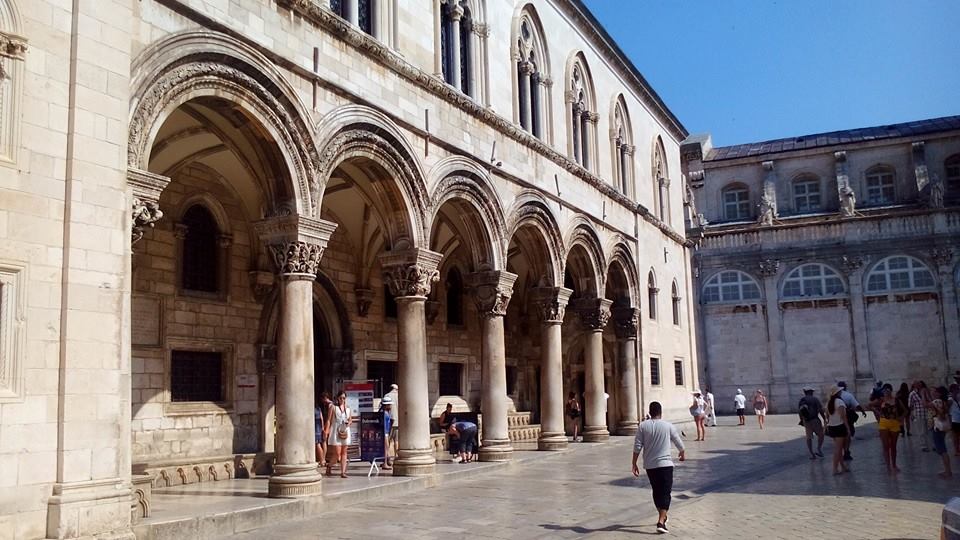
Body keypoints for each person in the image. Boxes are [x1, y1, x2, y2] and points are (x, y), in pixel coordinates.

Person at [631, 401, 686, 535]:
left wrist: (634, 463)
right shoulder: (668, 426)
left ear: (650, 412)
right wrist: (682, 453)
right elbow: (678, 442)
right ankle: (661, 522)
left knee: (656, 491)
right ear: (661, 412)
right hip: (666, 464)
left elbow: (637, 445)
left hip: (650, 466)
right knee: (665, 492)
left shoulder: (643, 426)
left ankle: (662, 516)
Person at [869, 383, 906, 474]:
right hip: (884, 423)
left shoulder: (896, 400)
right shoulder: (881, 400)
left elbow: (905, 411)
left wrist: (900, 418)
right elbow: (869, 405)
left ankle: (894, 465)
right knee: (885, 446)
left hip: (894, 423)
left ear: (891, 391)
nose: (886, 392)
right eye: (884, 390)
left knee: (893, 446)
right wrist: (877, 412)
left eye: (887, 390)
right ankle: (888, 466)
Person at [837, 381, 867, 460]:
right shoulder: (848, 395)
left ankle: (841, 451)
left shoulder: (833, 396)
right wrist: (863, 412)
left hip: (837, 418)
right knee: (848, 434)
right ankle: (846, 451)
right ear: (845, 387)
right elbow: (857, 405)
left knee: (840, 435)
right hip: (847, 417)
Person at [825, 385, 852, 475]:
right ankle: (835, 469)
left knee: (838, 448)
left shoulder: (829, 402)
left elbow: (827, 416)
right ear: (838, 393)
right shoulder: (840, 402)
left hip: (832, 427)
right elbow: (843, 417)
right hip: (839, 426)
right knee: (838, 449)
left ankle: (843, 467)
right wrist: (848, 428)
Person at [325, 390, 352, 478]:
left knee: (344, 452)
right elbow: (329, 420)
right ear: (337, 398)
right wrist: (326, 430)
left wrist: (349, 423)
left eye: (344, 398)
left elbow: (350, 419)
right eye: (340, 398)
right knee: (337, 453)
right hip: (335, 431)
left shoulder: (348, 408)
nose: (342, 400)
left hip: (345, 431)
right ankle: (329, 465)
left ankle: (343, 472)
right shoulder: (333, 407)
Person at [930, 386, 953, 478]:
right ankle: (947, 470)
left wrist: (923, 394)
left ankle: (948, 471)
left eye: (936, 391)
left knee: (942, 450)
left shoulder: (936, 402)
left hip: (938, 427)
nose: (934, 393)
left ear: (939, 393)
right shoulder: (944, 402)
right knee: (942, 448)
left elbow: (925, 404)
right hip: (943, 427)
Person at [798, 386, 825, 459]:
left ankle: (812, 453)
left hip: (806, 421)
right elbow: (820, 410)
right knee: (821, 435)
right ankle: (819, 448)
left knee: (808, 437)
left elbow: (800, 411)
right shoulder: (815, 399)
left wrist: (801, 420)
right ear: (810, 392)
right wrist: (824, 418)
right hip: (815, 419)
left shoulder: (802, 400)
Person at [909, 381, 930, 451]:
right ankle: (923, 446)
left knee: (929, 430)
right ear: (914, 385)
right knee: (921, 431)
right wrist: (911, 413)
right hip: (919, 413)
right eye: (917, 384)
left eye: (919, 384)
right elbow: (910, 405)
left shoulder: (925, 391)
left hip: (928, 413)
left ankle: (932, 445)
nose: (918, 385)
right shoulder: (912, 394)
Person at [380, 395, 394, 470]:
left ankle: (387, 461)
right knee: (386, 448)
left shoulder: (386, 413)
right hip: (385, 432)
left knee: (387, 447)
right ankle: (385, 463)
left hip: (386, 432)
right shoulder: (384, 414)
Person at [949, 384, 960, 457]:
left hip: (958, 419)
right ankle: (956, 450)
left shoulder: (958, 398)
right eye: (957, 389)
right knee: (955, 437)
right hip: (954, 419)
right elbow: (947, 410)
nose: (958, 390)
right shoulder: (950, 400)